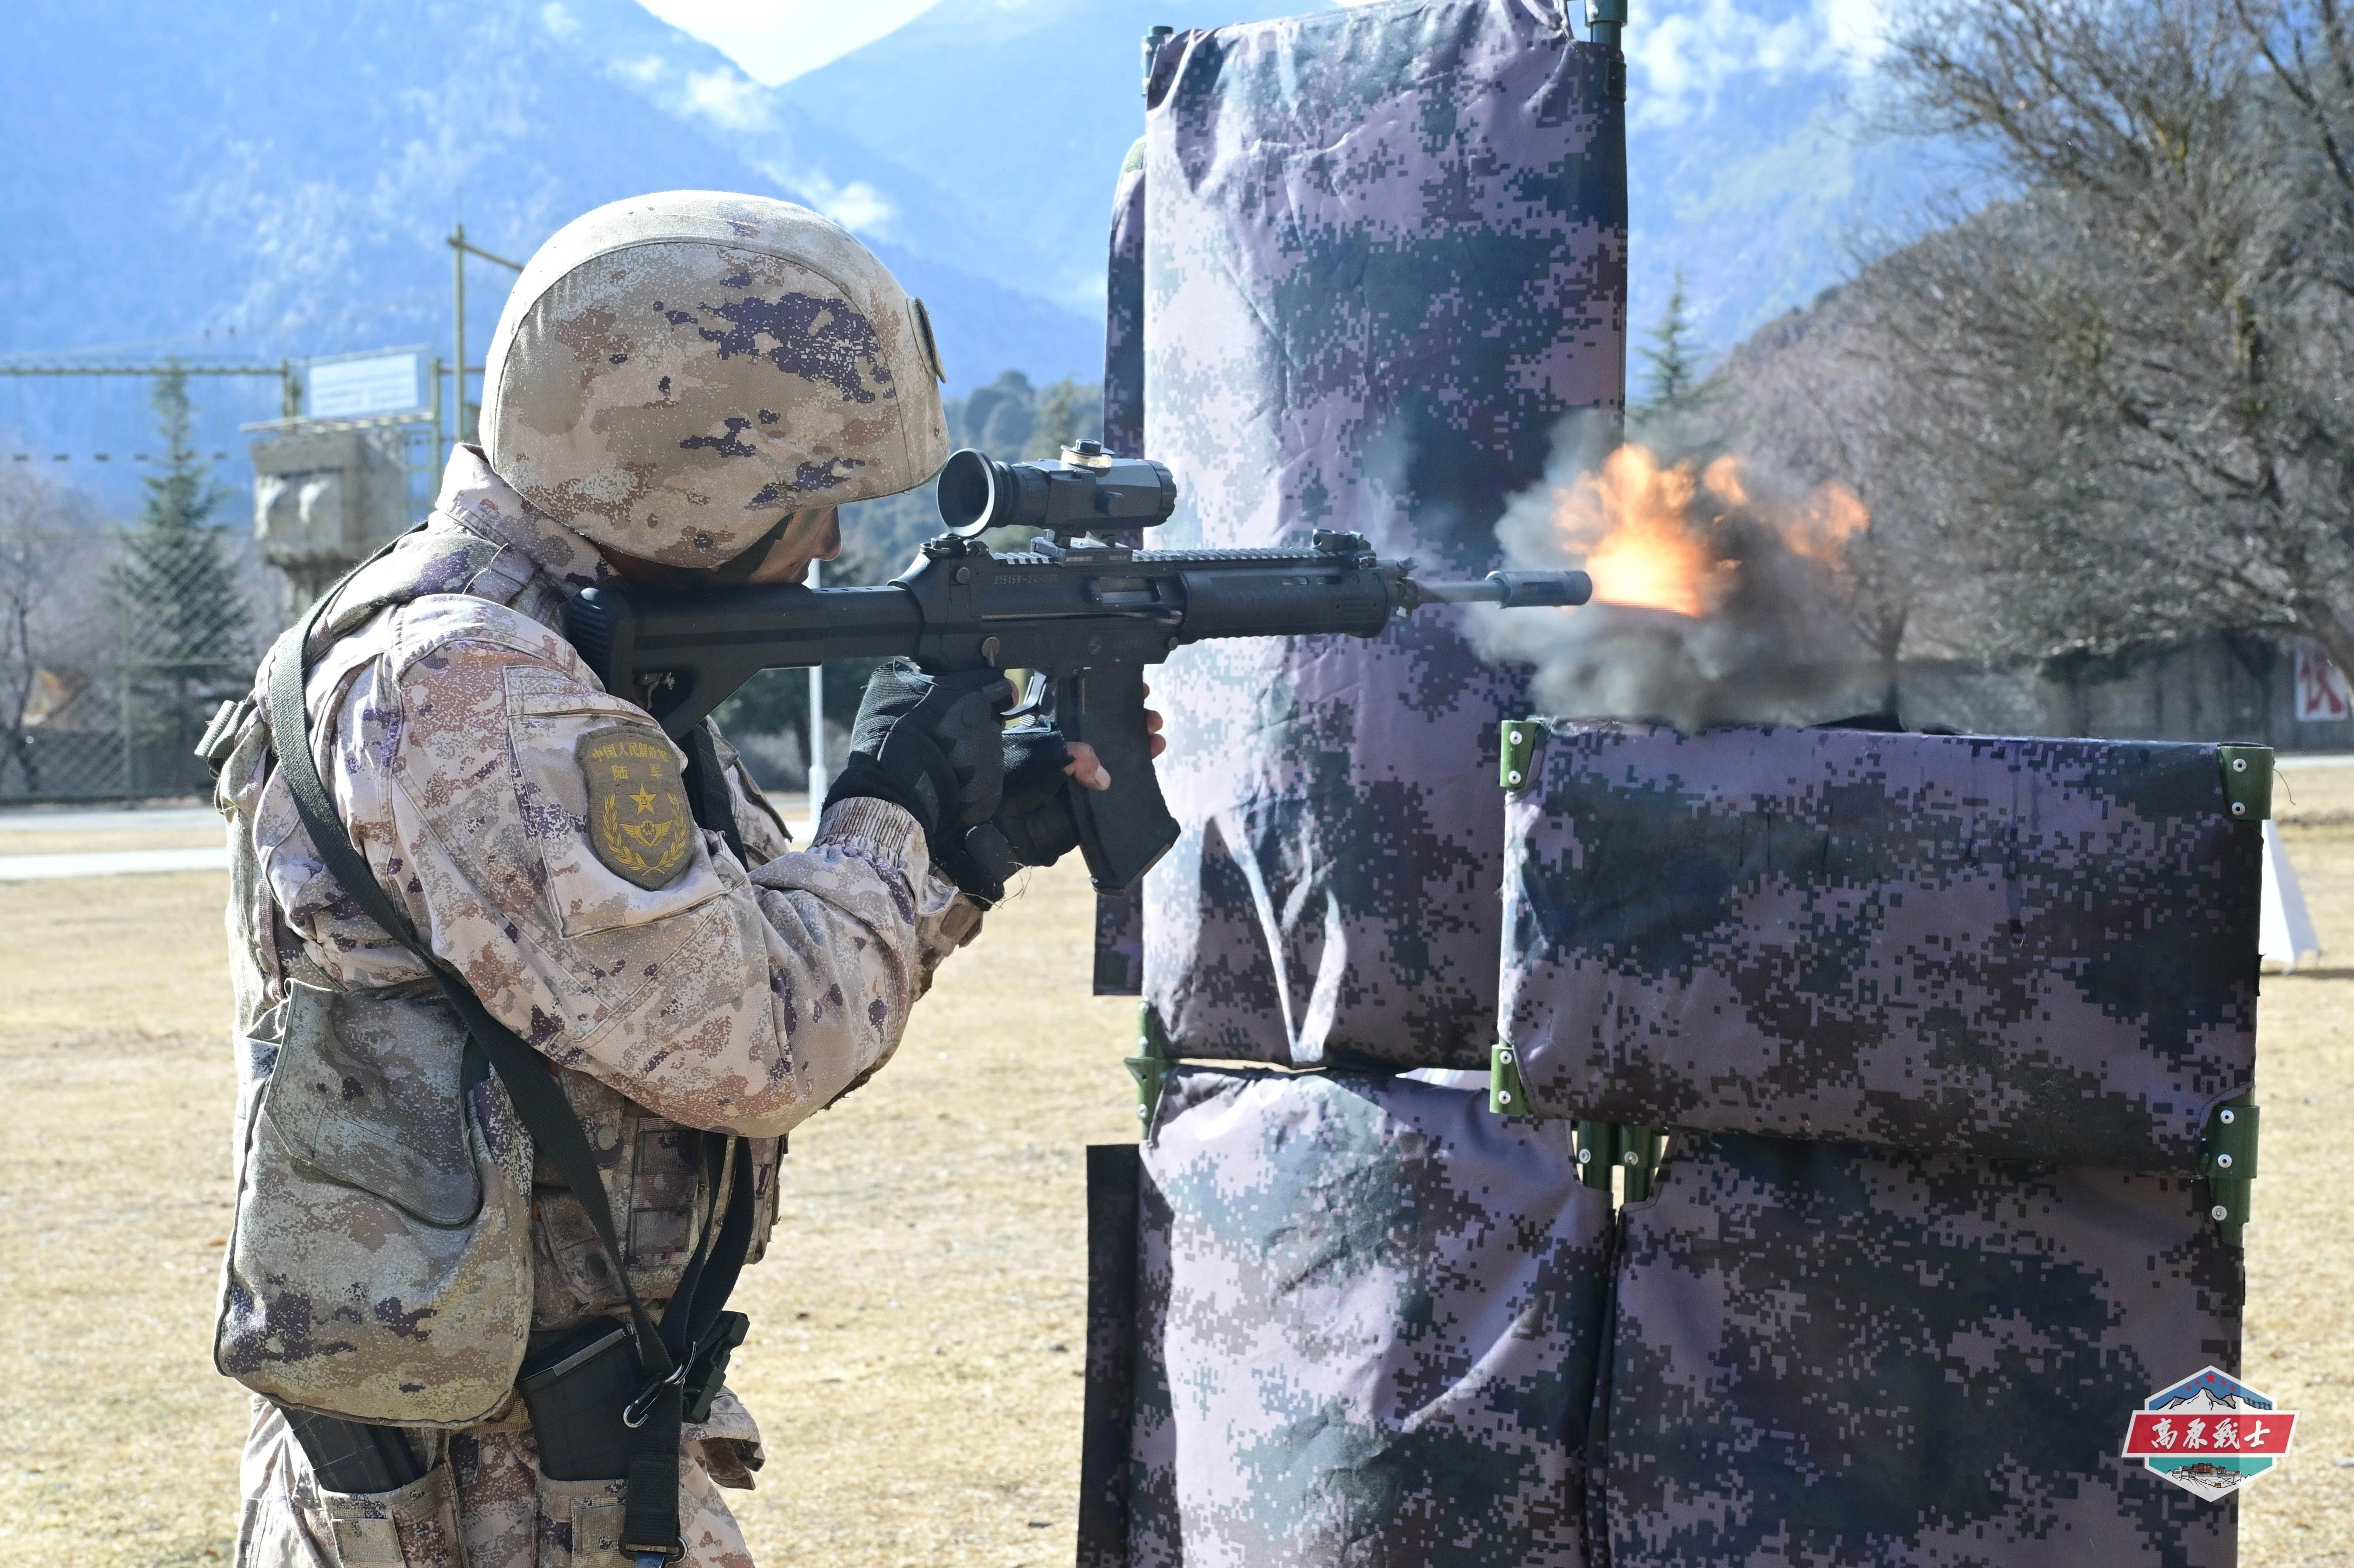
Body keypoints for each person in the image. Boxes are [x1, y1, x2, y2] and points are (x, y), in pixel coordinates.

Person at [204, 191, 1141, 1568]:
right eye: (804, 498)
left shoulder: (561, 667)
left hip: (557, 1476)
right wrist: (889, 812)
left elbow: (757, 962)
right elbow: (749, 1042)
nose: (828, 546)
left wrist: (959, 852)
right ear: (689, 480)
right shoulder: (473, 690)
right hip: (478, 1508)